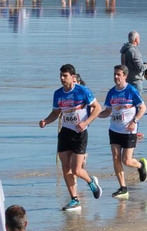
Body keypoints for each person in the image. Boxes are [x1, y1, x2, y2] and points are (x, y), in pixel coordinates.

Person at [40, 64, 102, 211]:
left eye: (65, 76)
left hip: (80, 133)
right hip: (65, 132)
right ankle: (74, 199)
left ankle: (91, 181)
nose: (62, 78)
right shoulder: (58, 94)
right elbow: (55, 113)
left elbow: (98, 108)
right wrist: (45, 121)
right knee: (65, 168)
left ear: (73, 77)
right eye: (61, 75)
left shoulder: (82, 91)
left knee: (76, 170)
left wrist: (86, 122)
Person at [99, 64, 147, 197]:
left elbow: (143, 108)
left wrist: (134, 121)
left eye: (118, 75)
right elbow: (107, 111)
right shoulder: (111, 92)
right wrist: (96, 114)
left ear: (125, 76)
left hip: (129, 131)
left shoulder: (131, 90)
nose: (116, 77)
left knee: (126, 161)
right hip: (114, 129)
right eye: (114, 74)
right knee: (116, 158)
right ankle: (123, 187)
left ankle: (140, 165)